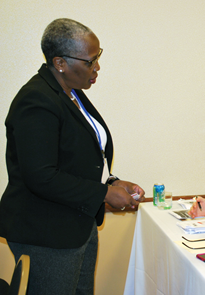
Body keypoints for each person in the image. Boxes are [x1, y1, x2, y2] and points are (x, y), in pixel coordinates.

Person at [0, 18, 145, 295]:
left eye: (97, 57)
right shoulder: (37, 100)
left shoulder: (70, 93)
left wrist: (111, 181)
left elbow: (77, 156)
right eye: (90, 61)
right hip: (47, 233)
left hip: (78, 223)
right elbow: (41, 175)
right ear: (60, 63)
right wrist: (103, 193)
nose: (97, 67)